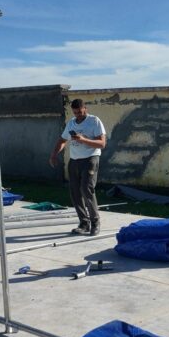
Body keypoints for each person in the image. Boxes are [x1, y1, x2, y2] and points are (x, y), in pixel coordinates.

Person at [49, 99, 107, 235]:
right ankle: (84, 223)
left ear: (85, 108)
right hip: (74, 161)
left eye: (80, 112)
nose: (78, 115)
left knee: (86, 189)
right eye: (75, 113)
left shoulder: (94, 121)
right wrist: (54, 155)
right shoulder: (71, 123)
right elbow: (62, 140)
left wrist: (83, 140)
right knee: (75, 192)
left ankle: (95, 222)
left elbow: (102, 143)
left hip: (90, 159)